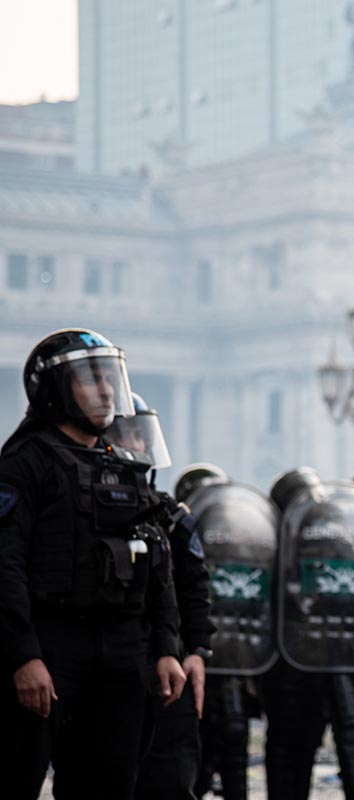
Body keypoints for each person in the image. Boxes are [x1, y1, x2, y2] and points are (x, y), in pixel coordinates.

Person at [0, 329, 186, 800]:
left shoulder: (124, 466)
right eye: (90, 379)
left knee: (110, 784)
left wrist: (167, 648)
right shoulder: (24, 463)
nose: (106, 391)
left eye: (109, 378)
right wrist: (24, 656)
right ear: (55, 390)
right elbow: (5, 564)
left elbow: (157, 564)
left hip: (123, 650)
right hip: (50, 643)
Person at [117, 395, 216, 800]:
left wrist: (198, 650)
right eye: (126, 434)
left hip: (169, 662)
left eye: (141, 434)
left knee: (173, 778)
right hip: (112, 659)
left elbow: (195, 587)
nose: (136, 443)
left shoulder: (171, 516)